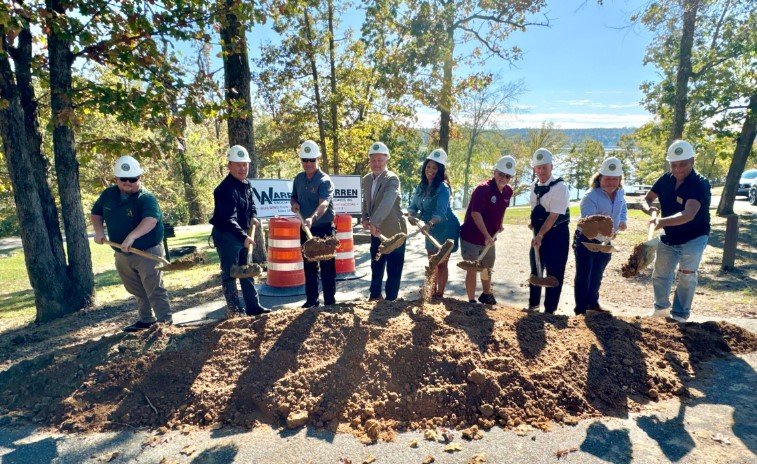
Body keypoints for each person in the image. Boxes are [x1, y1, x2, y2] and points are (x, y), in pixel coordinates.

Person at [91, 156, 172, 332]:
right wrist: (99, 231)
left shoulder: (146, 198)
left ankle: (166, 324)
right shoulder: (108, 195)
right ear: (116, 179)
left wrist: (132, 236)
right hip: (121, 253)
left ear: (139, 178)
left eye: (133, 179)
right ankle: (146, 320)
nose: (128, 183)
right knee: (136, 288)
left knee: (154, 288)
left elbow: (150, 220)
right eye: (123, 179)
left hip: (147, 252)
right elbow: (96, 213)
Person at [643, 140, 710, 323]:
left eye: (683, 164)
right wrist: (650, 209)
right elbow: (647, 199)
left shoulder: (699, 184)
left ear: (692, 161)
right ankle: (661, 309)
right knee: (661, 273)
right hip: (670, 237)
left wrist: (661, 222)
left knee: (687, 275)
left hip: (694, 236)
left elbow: (688, 214)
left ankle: (680, 315)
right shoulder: (665, 179)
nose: (678, 169)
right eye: (674, 165)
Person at [209, 145, 270, 317]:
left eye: (245, 164)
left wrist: (253, 216)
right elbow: (228, 218)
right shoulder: (225, 190)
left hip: (241, 231)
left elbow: (251, 205)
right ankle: (234, 310)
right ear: (229, 165)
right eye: (238, 165)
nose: (243, 168)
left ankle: (253, 306)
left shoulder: (247, 184)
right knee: (231, 272)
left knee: (246, 269)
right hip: (226, 234)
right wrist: (243, 237)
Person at [573, 156, 627, 315]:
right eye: (607, 179)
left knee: (597, 274)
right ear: (600, 178)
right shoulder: (590, 196)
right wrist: (606, 230)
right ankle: (580, 310)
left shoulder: (620, 193)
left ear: (619, 179)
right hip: (586, 240)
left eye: (614, 179)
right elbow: (588, 222)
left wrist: (622, 221)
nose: (611, 182)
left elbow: (623, 208)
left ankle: (593, 303)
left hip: (606, 242)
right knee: (584, 274)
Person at [459, 155, 515, 305]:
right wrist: (486, 235)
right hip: (471, 237)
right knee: (472, 268)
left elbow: (502, 209)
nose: (503, 178)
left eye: (507, 176)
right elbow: (475, 213)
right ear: (495, 172)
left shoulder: (508, 191)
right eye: (501, 174)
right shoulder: (482, 189)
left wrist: (500, 224)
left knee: (486, 267)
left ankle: (486, 294)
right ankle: (471, 300)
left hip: (489, 239)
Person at [408, 148, 460, 298]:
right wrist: (412, 215)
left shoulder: (443, 188)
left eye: (435, 168)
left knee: (442, 262)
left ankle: (439, 294)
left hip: (446, 227)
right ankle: (430, 290)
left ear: (440, 170)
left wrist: (429, 224)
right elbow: (413, 206)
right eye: (428, 167)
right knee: (432, 261)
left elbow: (440, 213)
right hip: (430, 228)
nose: (430, 170)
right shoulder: (421, 186)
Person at [291, 140, 337, 308]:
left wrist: (312, 218)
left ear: (318, 159)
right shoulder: (298, 179)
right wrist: (294, 203)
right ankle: (312, 301)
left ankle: (330, 302)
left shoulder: (324, 180)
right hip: (305, 229)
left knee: (327, 266)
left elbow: (324, 204)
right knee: (309, 265)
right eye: (305, 160)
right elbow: (294, 196)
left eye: (312, 160)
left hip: (323, 228)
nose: (308, 163)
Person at [361, 142, 408, 301]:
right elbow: (366, 201)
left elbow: (387, 202)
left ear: (386, 160)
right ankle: (375, 296)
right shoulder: (367, 179)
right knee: (376, 264)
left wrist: (374, 222)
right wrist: (365, 217)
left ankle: (391, 300)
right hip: (376, 230)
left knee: (394, 268)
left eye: (380, 160)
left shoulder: (392, 179)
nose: (376, 164)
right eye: (373, 160)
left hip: (395, 231)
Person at [528, 148, 570, 314]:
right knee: (536, 268)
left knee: (554, 271)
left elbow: (553, 216)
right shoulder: (533, 186)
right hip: (539, 233)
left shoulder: (560, 187)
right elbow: (534, 209)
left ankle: (550, 309)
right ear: (534, 169)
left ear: (551, 167)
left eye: (544, 167)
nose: (541, 171)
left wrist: (540, 235)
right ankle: (533, 305)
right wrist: (532, 224)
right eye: (538, 168)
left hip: (557, 235)